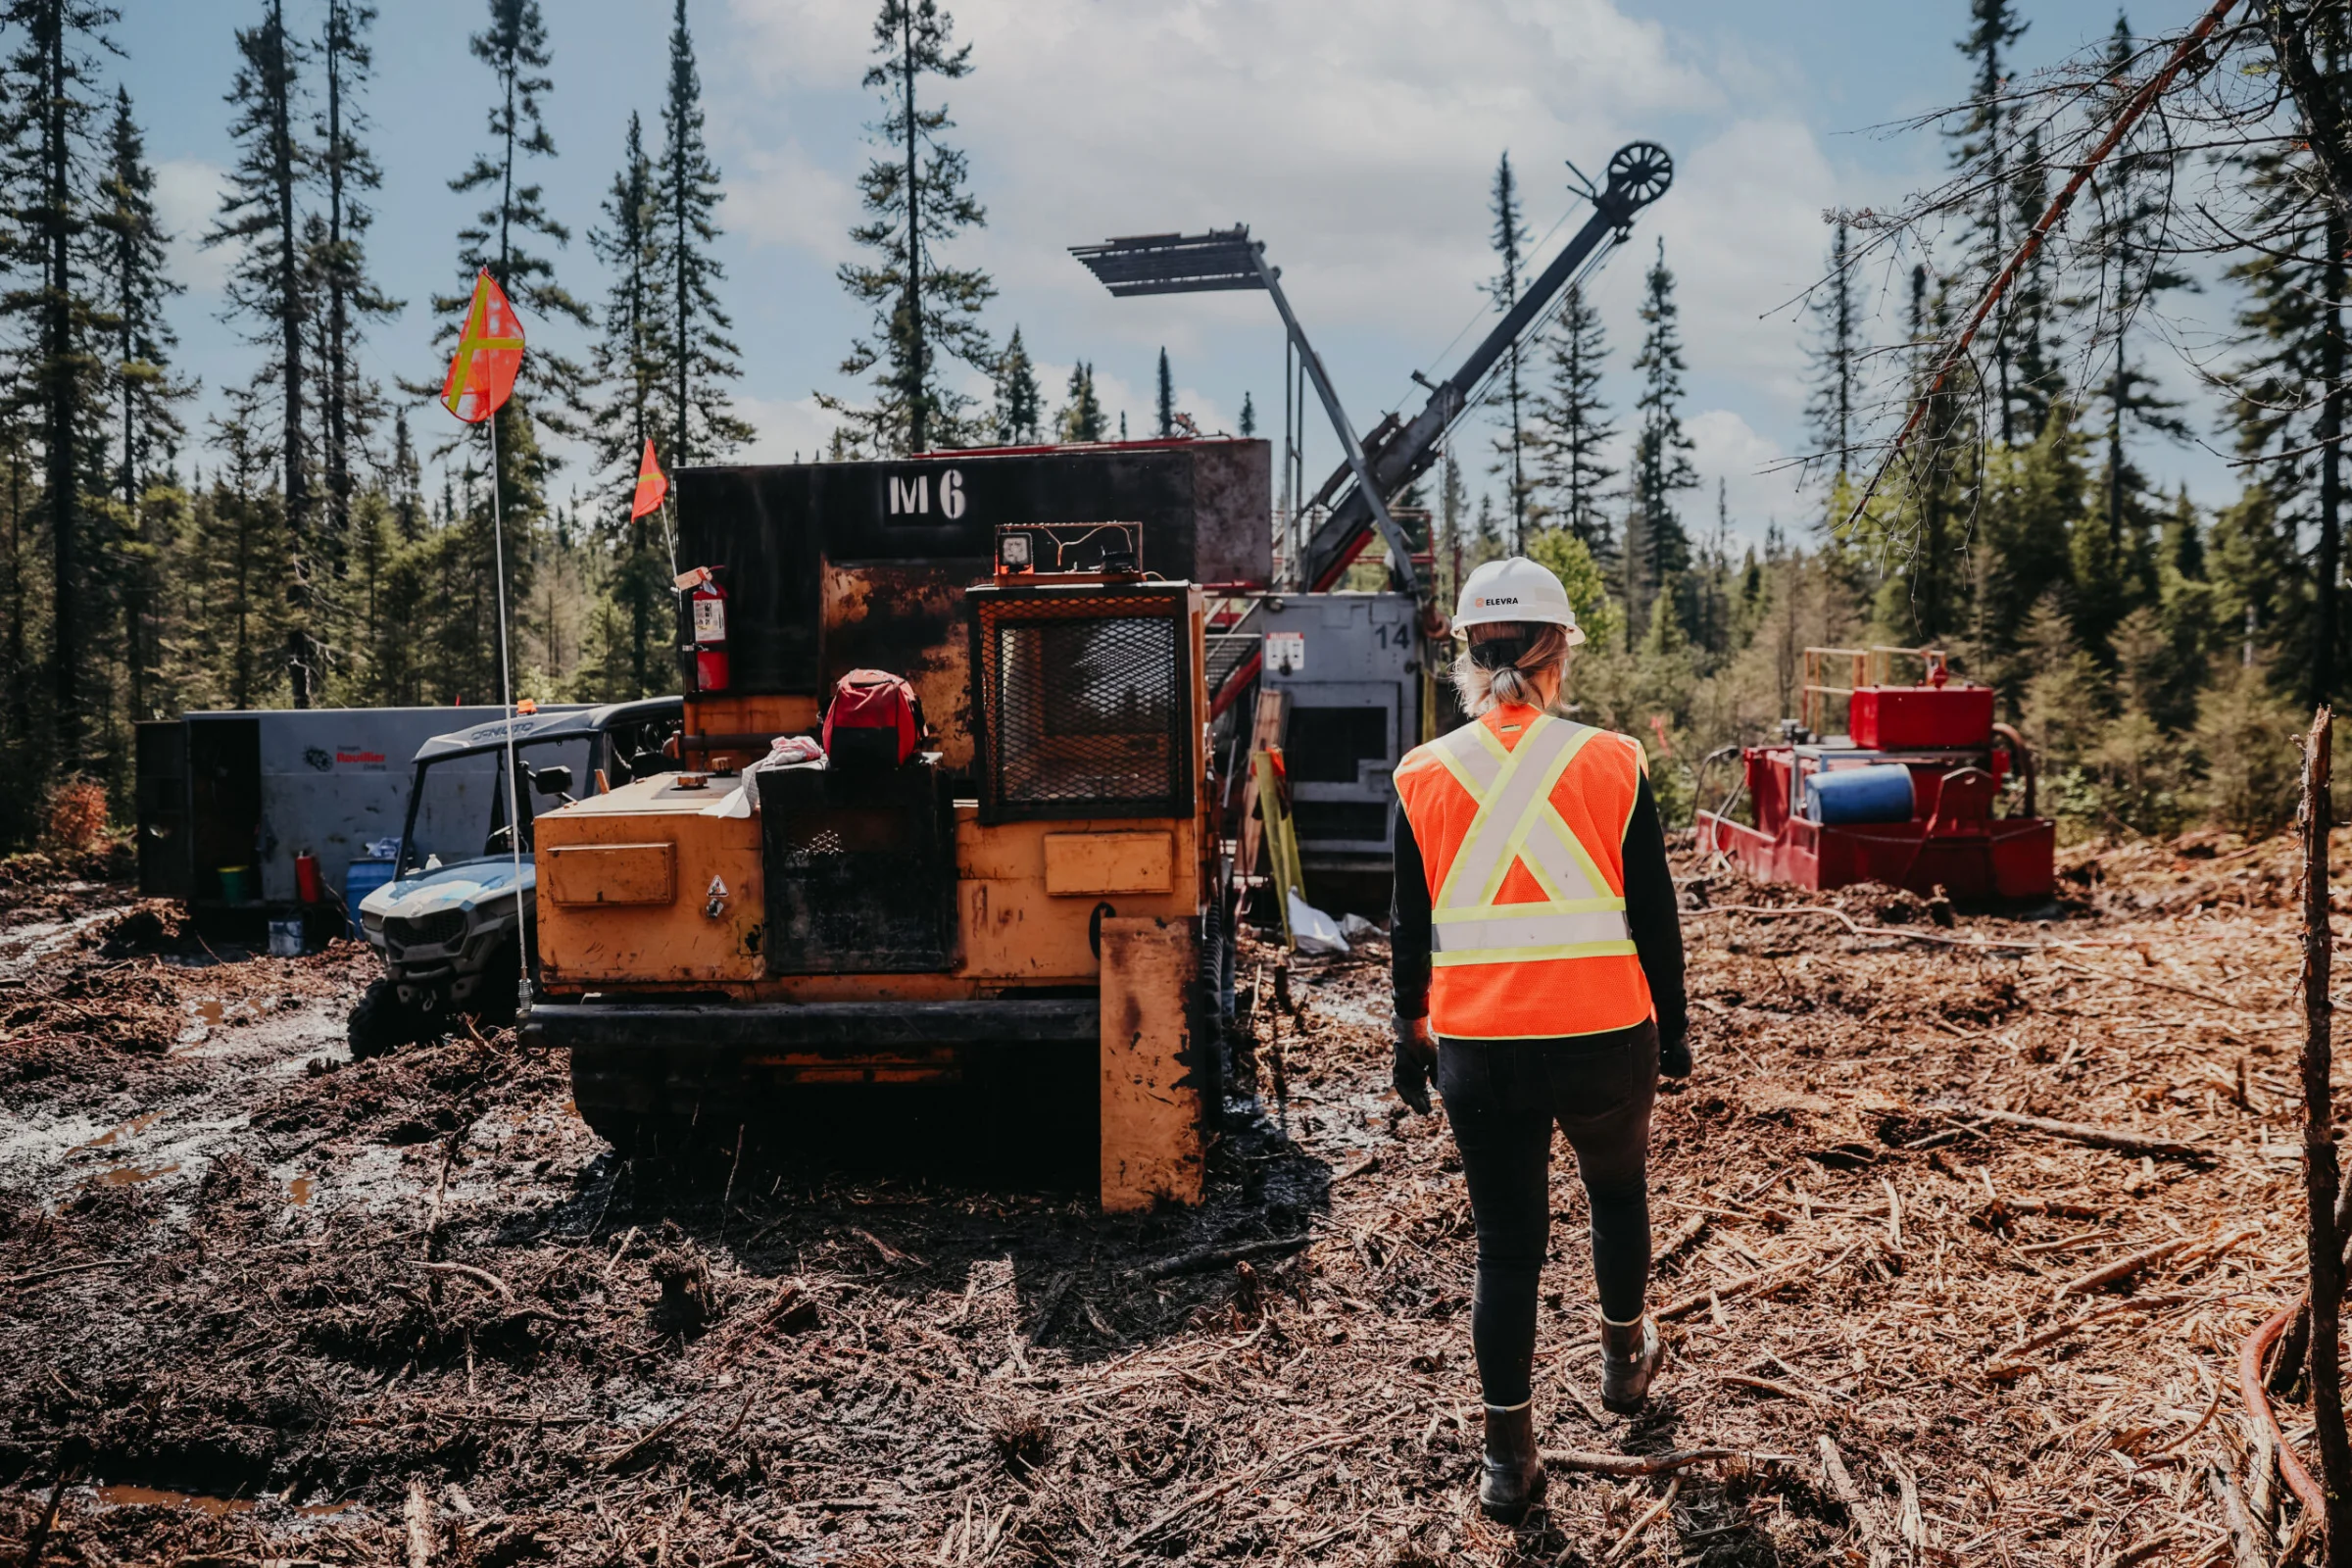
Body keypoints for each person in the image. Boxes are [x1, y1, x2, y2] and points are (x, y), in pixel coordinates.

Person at [1388, 556, 1690, 1524]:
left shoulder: (1422, 775)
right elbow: (1655, 912)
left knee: (1508, 1248)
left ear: (1472, 659)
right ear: (1557, 653)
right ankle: (1621, 1365)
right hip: (1608, 1035)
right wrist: (1674, 1030)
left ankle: (1508, 1461)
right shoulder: (1613, 760)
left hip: (1478, 1049)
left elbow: (1409, 924)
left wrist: (1410, 1032)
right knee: (1616, 1193)